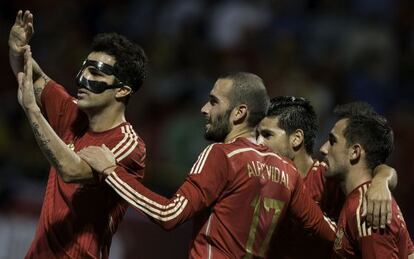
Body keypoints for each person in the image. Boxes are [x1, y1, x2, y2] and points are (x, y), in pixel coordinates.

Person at [78, 72, 337, 258]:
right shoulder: (288, 172)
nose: (204, 109)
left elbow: (168, 215)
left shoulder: (223, 155)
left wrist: (112, 172)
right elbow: (329, 232)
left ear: (239, 113)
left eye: (214, 101)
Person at [10, 10, 147, 258]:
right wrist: (18, 48)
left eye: (96, 73)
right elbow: (30, 76)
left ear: (122, 91)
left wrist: (32, 110)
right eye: (85, 69)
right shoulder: (71, 112)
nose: (83, 79)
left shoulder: (130, 146)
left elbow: (72, 170)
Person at [257, 97, 404, 258]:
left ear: (296, 138)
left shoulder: (328, 178)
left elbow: (372, 168)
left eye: (267, 135)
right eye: (257, 134)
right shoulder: (259, 179)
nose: (258, 142)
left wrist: (382, 180)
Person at [320, 102, 414, 258]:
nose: (323, 148)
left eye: (332, 141)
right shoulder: (362, 199)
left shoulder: (366, 209)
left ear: (354, 152)